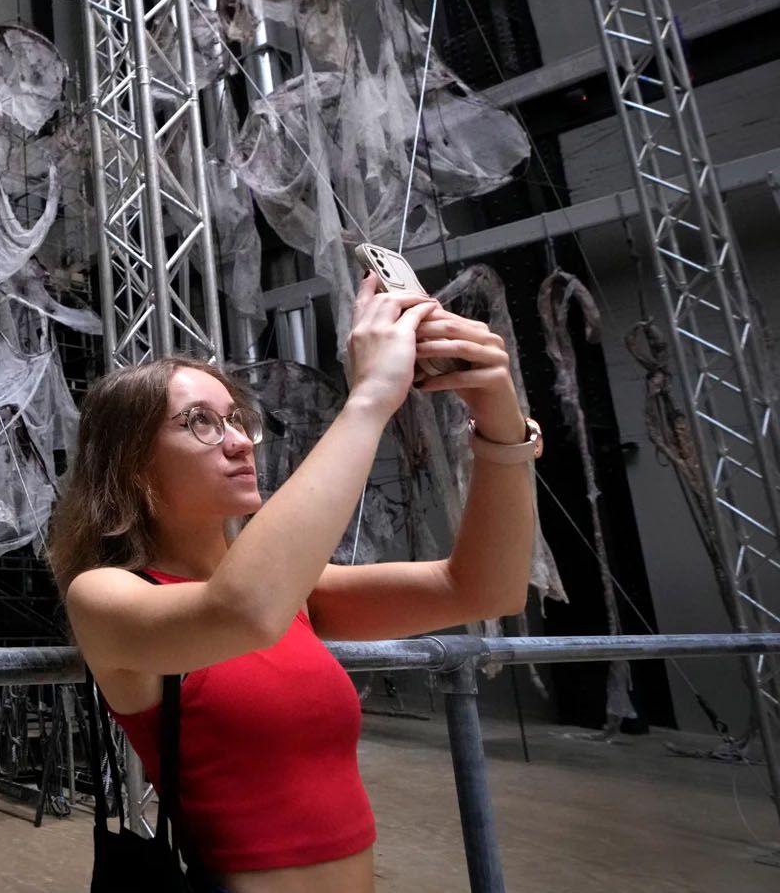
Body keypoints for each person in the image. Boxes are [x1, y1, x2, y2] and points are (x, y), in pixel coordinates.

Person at [50, 272, 540, 893]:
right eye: (199, 423)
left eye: (237, 420)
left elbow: (482, 589)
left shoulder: (300, 594)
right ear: (132, 466)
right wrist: (367, 399)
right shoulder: (108, 595)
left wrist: (500, 417)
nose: (237, 443)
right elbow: (243, 612)